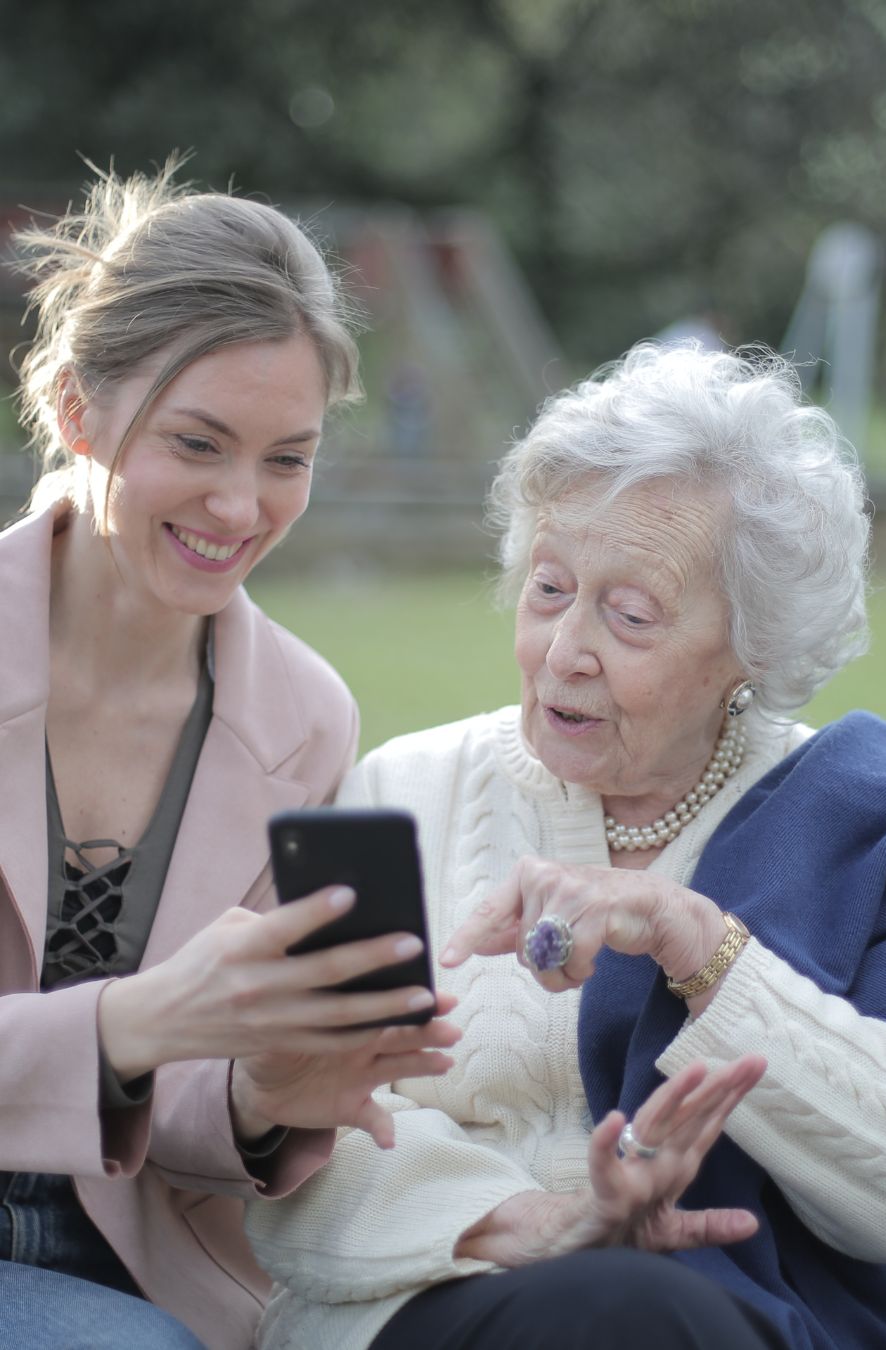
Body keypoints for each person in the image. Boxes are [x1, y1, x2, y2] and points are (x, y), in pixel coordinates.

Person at [246, 343, 886, 1350]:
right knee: (623, 1312)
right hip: (424, 1312)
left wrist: (699, 944)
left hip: (741, 1327)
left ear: (754, 647)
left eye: (629, 615)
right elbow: (296, 1130)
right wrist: (534, 1223)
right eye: (548, 590)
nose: (564, 650)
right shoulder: (403, 792)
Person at [0, 160, 460, 1350]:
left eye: (287, 458)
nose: (240, 507)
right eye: (198, 442)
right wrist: (128, 1023)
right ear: (74, 407)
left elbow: (190, 1107)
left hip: (136, 1274)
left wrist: (266, 1094)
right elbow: (147, 1031)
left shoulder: (305, 714)